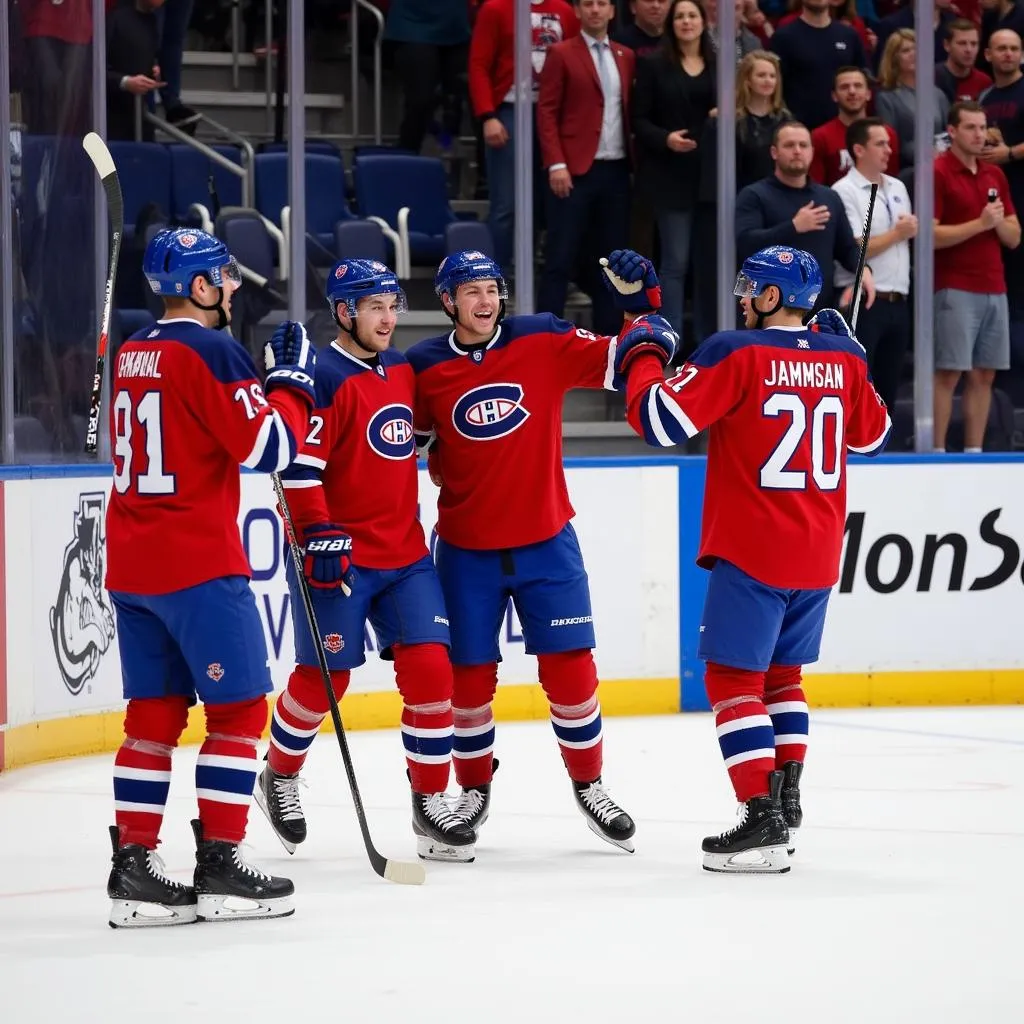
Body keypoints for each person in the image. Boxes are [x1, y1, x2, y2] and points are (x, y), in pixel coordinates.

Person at [612, 245, 891, 872]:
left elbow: (656, 419)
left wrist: (643, 345)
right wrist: (855, 361)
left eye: (751, 289)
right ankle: (785, 795)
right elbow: (873, 437)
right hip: (819, 548)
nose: (742, 299)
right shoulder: (842, 357)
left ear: (770, 298)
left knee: (732, 680)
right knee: (783, 678)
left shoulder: (735, 349)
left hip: (754, 545)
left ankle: (759, 817)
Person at [405, 249, 659, 854]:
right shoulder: (424, 366)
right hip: (467, 550)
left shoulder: (541, 338)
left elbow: (628, 360)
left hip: (548, 540)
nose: (485, 300)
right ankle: (470, 789)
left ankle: (590, 784)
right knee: (467, 683)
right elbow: (393, 442)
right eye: (470, 291)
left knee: (572, 673)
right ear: (447, 302)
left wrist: (639, 304)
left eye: (491, 288)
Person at [105, 228, 317, 926]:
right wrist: (289, 385)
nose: (230, 287)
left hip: (132, 564)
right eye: (221, 277)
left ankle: (132, 868)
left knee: (153, 718)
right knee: (238, 713)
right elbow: (269, 448)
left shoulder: (134, 349)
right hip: (196, 562)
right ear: (196, 288)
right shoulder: (213, 348)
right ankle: (222, 863)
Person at [255, 260, 476, 863]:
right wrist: (318, 531)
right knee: (325, 682)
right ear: (345, 312)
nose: (388, 317)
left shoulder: (402, 369)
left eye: (393, 304)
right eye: (374, 306)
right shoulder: (321, 374)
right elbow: (298, 466)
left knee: (433, 670)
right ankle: (277, 773)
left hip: (405, 553)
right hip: (339, 557)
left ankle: (430, 801)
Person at [933, 101, 1021, 451]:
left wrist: (996, 223)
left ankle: (974, 451)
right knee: (949, 372)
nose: (979, 134)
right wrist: (980, 225)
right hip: (954, 284)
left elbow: (1013, 237)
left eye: (983, 127)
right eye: (971, 127)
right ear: (952, 131)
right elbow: (931, 237)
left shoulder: (993, 174)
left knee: (985, 373)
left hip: (994, 285)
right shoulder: (938, 171)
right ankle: (936, 450)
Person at [735, 121, 877, 312]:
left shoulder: (828, 197)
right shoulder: (754, 195)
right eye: (789, 145)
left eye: (803, 145)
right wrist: (793, 226)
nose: (797, 151)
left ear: (812, 151)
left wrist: (864, 269)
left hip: (817, 311)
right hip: (768, 311)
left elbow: (846, 249)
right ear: (774, 152)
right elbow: (746, 245)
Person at [832, 117, 915, 413]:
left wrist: (901, 235)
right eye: (880, 144)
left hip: (898, 297)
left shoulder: (897, 186)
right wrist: (898, 234)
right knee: (858, 382)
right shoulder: (844, 190)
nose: (889, 150)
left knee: (888, 385)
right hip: (864, 299)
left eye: (890, 144)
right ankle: (852, 451)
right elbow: (853, 248)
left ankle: (884, 451)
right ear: (859, 149)